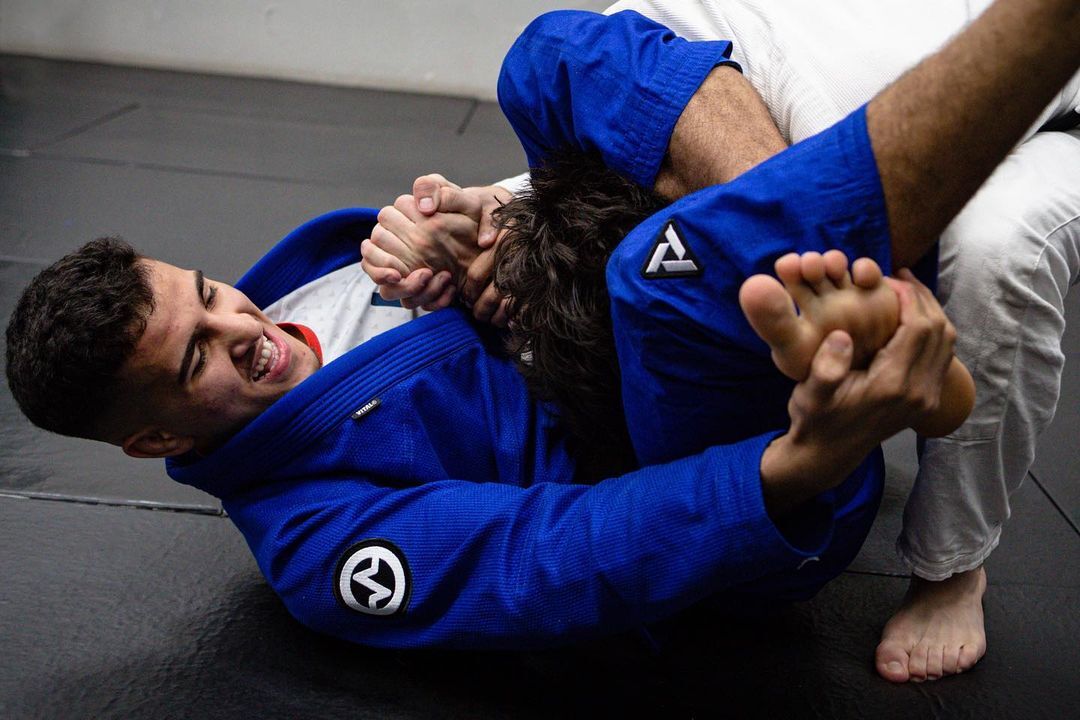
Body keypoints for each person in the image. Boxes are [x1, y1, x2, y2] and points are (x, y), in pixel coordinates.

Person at [6, 0, 1078, 656]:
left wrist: (494, 226)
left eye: (208, 292)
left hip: (652, 297)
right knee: (660, 279)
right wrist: (795, 465)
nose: (241, 323)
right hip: (720, 460)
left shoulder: (307, 284)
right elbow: (552, 559)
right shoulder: (320, 540)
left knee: (549, 55)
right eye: (197, 356)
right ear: (155, 439)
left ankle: (833, 260)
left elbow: (532, 239)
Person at [363, 0, 1080, 680]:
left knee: (543, 60)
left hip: (834, 81)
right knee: (983, 254)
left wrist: (505, 211)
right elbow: (543, 559)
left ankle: (951, 563)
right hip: (812, 133)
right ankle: (949, 560)